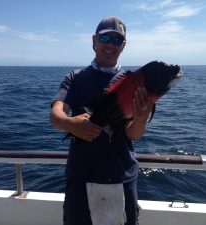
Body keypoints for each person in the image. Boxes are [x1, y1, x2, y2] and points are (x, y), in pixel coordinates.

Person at [50, 16, 152, 225]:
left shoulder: (133, 82)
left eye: (117, 41)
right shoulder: (74, 78)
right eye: (105, 38)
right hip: (81, 176)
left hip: (122, 176)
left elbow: (132, 134)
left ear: (123, 47)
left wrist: (141, 119)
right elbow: (56, 115)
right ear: (94, 40)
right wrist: (70, 124)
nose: (110, 45)